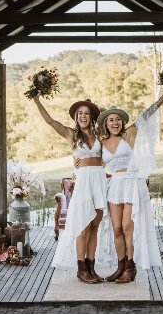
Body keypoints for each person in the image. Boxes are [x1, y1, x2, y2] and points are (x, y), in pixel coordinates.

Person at [88, 90, 163, 283]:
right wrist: (79, 163)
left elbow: (148, 113)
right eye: (111, 120)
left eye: (117, 119)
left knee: (127, 226)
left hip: (132, 183)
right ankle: (121, 265)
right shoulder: (101, 142)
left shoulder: (130, 133)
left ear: (122, 122)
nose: (115, 123)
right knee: (116, 228)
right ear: (105, 124)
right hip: (115, 185)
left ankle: (131, 267)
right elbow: (96, 163)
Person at [33, 96, 108, 284]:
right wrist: (36, 99)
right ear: (76, 117)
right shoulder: (71, 135)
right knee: (83, 226)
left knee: (94, 227)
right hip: (83, 182)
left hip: (99, 180)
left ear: (91, 116)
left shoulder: (99, 133)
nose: (83, 116)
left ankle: (91, 268)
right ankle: (81, 269)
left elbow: (112, 136)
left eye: (87, 113)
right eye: (80, 113)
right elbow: (50, 121)